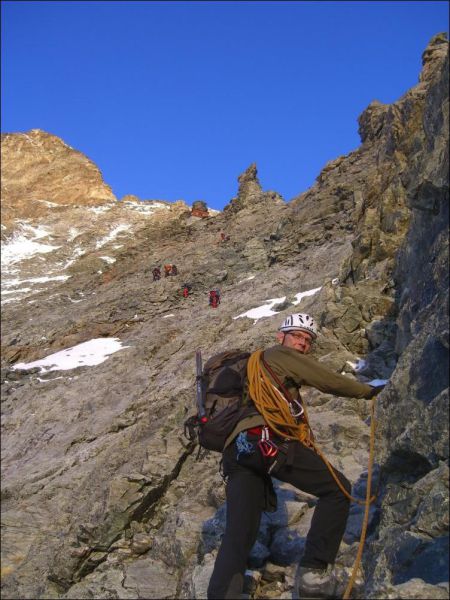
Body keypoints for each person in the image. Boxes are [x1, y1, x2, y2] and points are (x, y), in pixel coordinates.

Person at [207, 313, 385, 600]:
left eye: (307, 340)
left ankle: (220, 594)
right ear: (281, 337)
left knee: (240, 530)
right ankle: (313, 574)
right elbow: (326, 380)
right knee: (337, 490)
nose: (302, 344)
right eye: (297, 336)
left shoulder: (255, 367)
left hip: (237, 451)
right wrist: (367, 391)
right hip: (266, 441)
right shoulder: (279, 355)